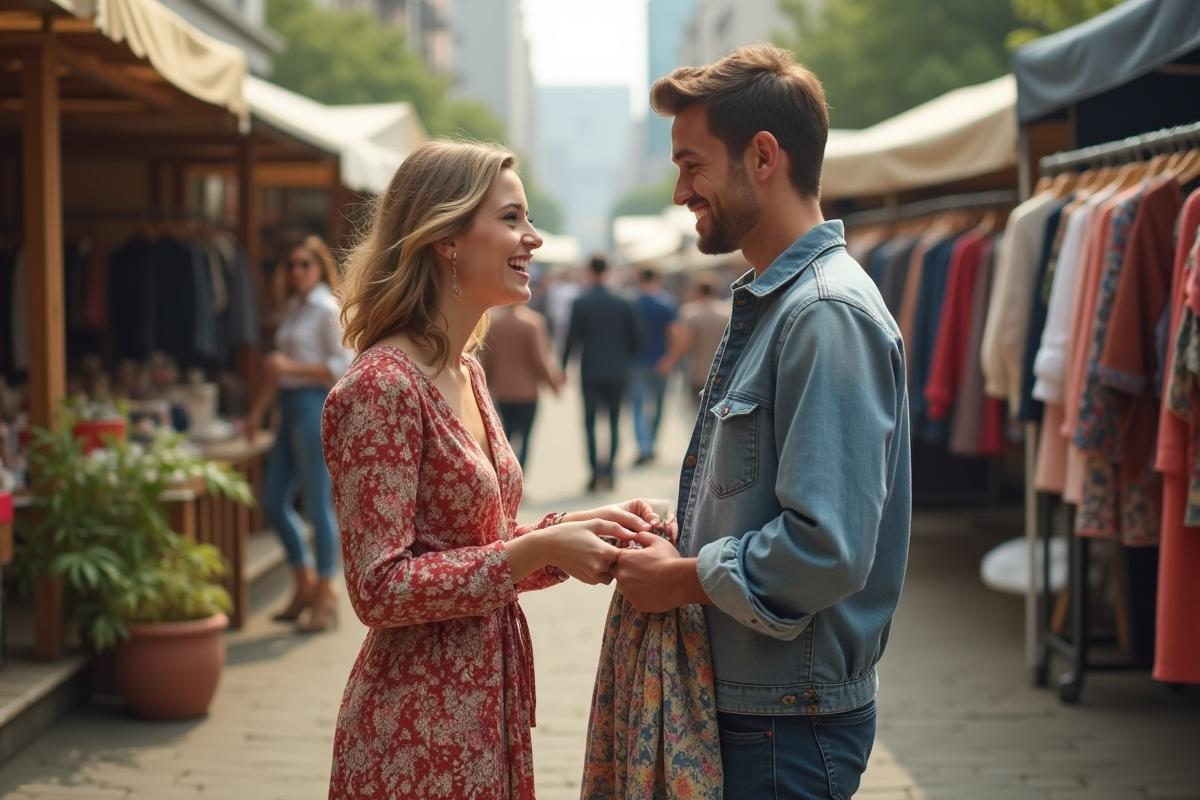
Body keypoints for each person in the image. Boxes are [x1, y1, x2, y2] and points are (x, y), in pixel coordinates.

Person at [610, 44, 912, 800]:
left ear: (764, 156)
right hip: (765, 713)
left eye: (694, 165)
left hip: (782, 726)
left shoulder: (823, 314)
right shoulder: (780, 303)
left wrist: (679, 579)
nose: (681, 191)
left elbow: (826, 548)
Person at [320, 139, 661, 800]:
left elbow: (479, 546)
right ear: (446, 238)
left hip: (484, 708)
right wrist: (543, 548)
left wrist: (577, 531)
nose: (533, 237)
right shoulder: (382, 387)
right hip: (418, 731)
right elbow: (377, 588)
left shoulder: (467, 372)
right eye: (511, 218)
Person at [244, 234, 352, 634]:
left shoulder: (327, 308)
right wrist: (256, 413)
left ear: (320, 267)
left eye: (305, 264)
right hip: (288, 410)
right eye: (290, 264)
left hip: (313, 407)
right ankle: (303, 582)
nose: (296, 271)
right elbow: (278, 372)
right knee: (273, 501)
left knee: (317, 505)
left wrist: (290, 367)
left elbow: (342, 366)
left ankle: (325, 592)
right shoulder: (293, 308)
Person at [562, 254, 643, 491]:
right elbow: (638, 340)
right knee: (615, 421)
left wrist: (563, 367)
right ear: (609, 272)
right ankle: (610, 471)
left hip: (590, 371)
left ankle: (594, 472)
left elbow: (571, 340)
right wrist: (624, 359)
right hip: (618, 371)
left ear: (589, 272)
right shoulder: (624, 302)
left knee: (590, 423)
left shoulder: (581, 302)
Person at [479, 303, 564, 468]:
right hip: (527, 392)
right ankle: (520, 474)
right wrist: (554, 385)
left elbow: (486, 360)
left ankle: (503, 473)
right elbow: (539, 361)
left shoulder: (494, 323)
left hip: (501, 392)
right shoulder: (533, 322)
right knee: (525, 437)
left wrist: (482, 389)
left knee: (503, 438)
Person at [628, 268, 678, 465]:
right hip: (661, 361)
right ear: (658, 279)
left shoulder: (631, 302)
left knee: (638, 407)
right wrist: (670, 359)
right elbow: (674, 333)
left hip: (636, 363)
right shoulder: (667, 302)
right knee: (659, 405)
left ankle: (644, 446)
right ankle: (653, 442)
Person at [668, 273, 732, 409]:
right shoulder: (727, 312)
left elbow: (684, 342)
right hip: (724, 371)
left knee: (698, 411)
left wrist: (671, 360)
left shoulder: (689, 312)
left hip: (698, 371)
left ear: (697, 291)